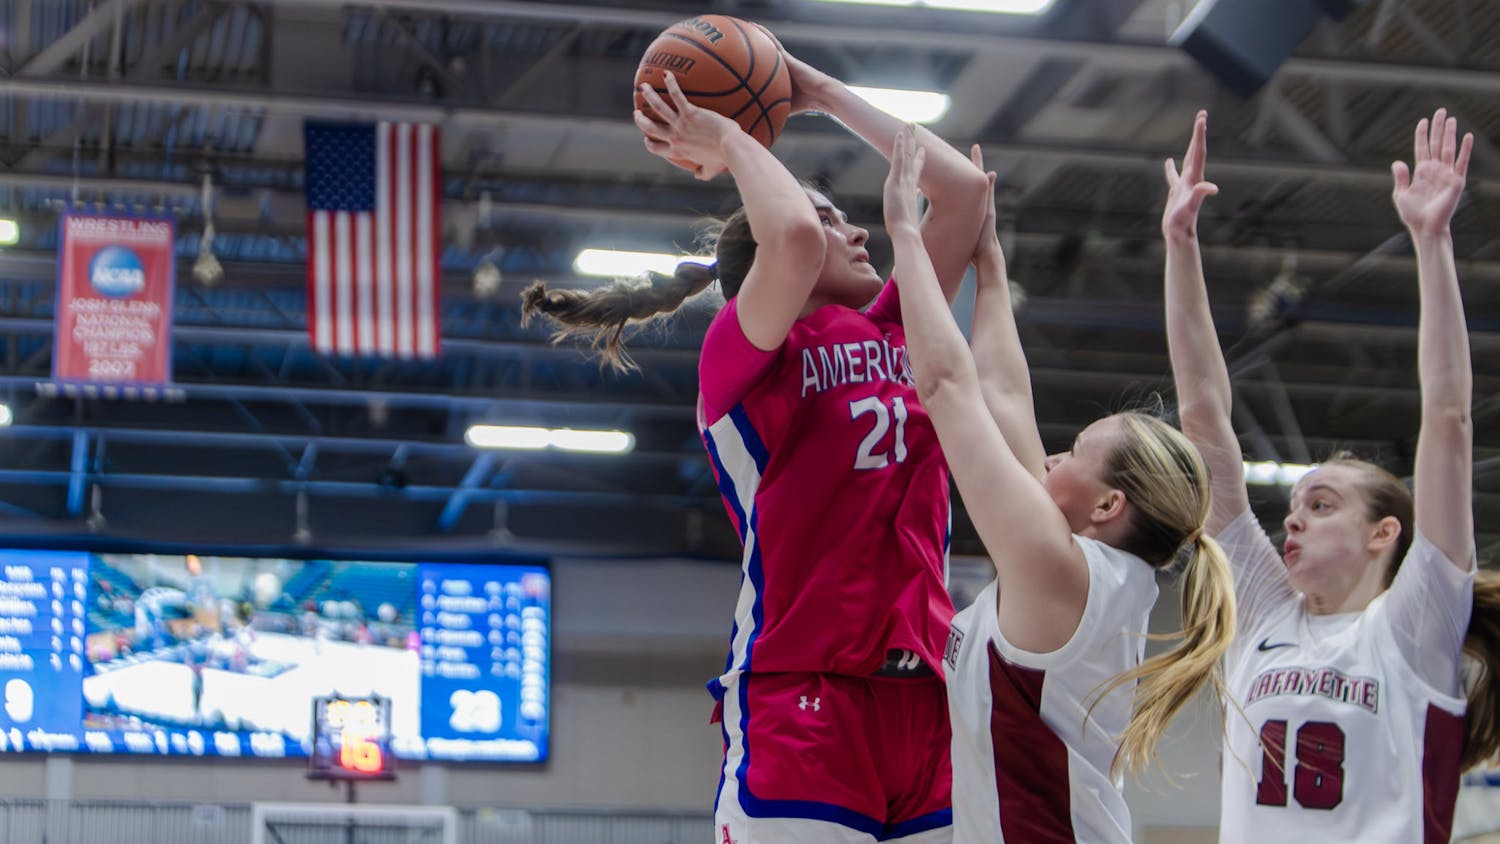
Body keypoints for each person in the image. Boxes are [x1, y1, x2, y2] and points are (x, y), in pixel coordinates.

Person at [520, 44, 988, 843]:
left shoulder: (898, 324)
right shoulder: (741, 355)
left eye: (843, 213)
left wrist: (821, 92)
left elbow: (968, 194)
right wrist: (734, 139)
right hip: (807, 699)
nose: (852, 228)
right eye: (833, 213)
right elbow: (796, 238)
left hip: (926, 701)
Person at [882, 129, 1236, 842]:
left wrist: (905, 237)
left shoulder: (1061, 569)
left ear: (1108, 506)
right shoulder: (1079, 569)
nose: (1047, 459)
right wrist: (987, 258)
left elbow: (947, 386)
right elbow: (1004, 397)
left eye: (1071, 453)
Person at [1162, 108, 1500, 841]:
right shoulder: (1264, 618)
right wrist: (1180, 247)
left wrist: (1432, 241)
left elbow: (1447, 418)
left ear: (1385, 533)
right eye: (1296, 506)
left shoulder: (1414, 624)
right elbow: (1202, 416)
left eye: (1321, 504)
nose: (1293, 519)